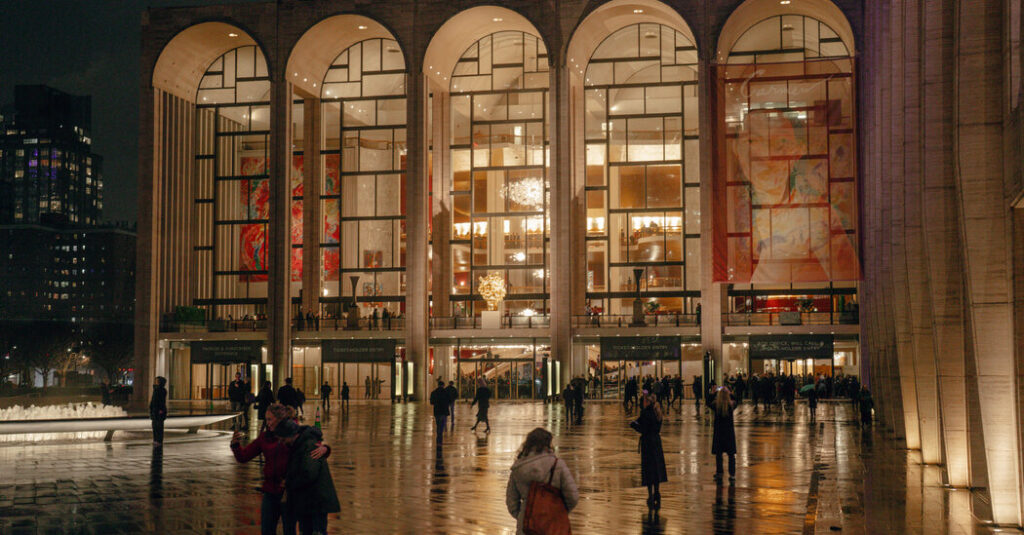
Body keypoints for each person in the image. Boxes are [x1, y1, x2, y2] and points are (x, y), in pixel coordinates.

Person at [230, 403, 329, 535]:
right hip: (270, 491)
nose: (267, 423)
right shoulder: (264, 438)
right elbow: (243, 457)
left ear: (279, 419)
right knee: (267, 530)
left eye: (270, 419)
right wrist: (236, 445)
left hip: (289, 493)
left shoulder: (292, 434)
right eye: (266, 419)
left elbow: (311, 445)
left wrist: (325, 449)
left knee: (289, 529)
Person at [505, 428, 580, 535]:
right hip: (554, 525)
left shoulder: (518, 468)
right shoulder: (557, 465)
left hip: (527, 527)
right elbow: (573, 497)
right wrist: (559, 512)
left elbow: (511, 502)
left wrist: (523, 515)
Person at [275, 417, 340, 534]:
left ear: (290, 435)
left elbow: (309, 474)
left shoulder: (307, 445)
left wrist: (289, 482)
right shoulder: (300, 444)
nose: (282, 442)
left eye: (283, 439)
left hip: (315, 503)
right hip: (308, 502)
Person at [631, 393, 668, 511]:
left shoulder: (646, 413)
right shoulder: (657, 412)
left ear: (647, 402)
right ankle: (657, 492)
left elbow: (642, 428)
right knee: (656, 468)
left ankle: (650, 495)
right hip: (656, 442)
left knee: (648, 469)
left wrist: (634, 425)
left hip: (648, 443)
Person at [711, 387, 738, 482]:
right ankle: (732, 474)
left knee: (719, 455)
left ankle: (719, 472)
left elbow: (708, 401)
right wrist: (730, 393)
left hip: (719, 433)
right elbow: (736, 400)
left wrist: (714, 393)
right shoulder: (731, 406)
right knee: (731, 455)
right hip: (729, 433)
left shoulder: (716, 406)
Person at [430, 380, 450, 445]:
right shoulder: (446, 392)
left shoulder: (434, 392)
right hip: (444, 411)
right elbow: (449, 400)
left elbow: (431, 402)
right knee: (442, 424)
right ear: (443, 385)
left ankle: (438, 434)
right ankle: (440, 434)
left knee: (438, 423)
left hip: (437, 410)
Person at [150, 376, 168, 447]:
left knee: (159, 426)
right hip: (155, 410)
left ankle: (158, 440)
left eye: (157, 381)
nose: (155, 382)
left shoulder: (161, 390)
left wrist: (160, 409)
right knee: (155, 426)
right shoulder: (156, 389)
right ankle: (156, 440)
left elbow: (161, 401)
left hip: (159, 411)